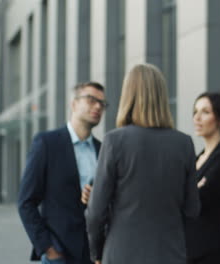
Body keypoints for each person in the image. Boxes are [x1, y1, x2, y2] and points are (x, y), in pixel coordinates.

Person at [85, 64, 200, 264]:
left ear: (128, 97)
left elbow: (96, 213)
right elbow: (192, 210)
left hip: (122, 255)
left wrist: (97, 252)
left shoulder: (114, 141)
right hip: (171, 255)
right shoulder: (184, 144)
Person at [18, 82, 108, 264]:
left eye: (102, 103)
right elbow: (26, 202)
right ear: (73, 104)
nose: (98, 106)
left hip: (95, 255)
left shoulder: (104, 150)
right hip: (59, 253)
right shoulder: (47, 143)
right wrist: (47, 248)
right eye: (91, 100)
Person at [186, 92, 220, 264]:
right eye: (195, 111)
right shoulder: (195, 159)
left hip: (212, 253)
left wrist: (188, 191)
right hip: (189, 252)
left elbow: (199, 200)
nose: (197, 118)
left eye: (205, 112)